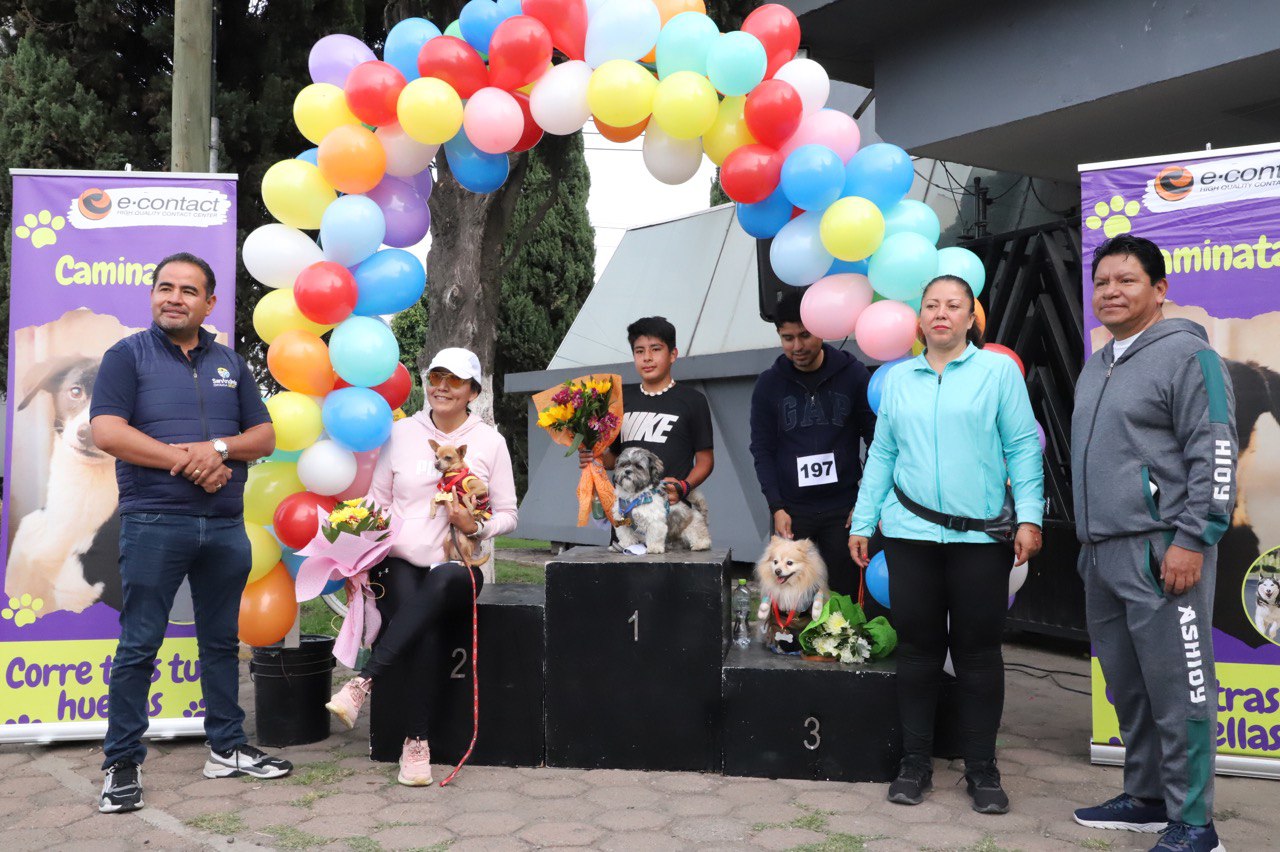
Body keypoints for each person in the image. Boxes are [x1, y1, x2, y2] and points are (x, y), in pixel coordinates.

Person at [90, 252, 290, 814]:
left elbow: (264, 437)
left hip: (225, 526)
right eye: (164, 287)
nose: (173, 298)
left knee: (222, 642)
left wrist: (217, 448)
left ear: (209, 303)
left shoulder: (230, 363)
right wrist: (191, 461)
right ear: (153, 295)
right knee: (139, 644)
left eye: (187, 290)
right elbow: (107, 431)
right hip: (154, 521)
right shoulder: (126, 356)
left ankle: (226, 747)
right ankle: (121, 762)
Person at [848, 274, 1044, 814]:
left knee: (978, 654)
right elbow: (882, 454)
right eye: (931, 305)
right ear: (919, 319)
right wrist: (863, 521)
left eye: (953, 305)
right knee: (918, 652)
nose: (941, 313)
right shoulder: (900, 380)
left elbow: (1023, 447)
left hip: (981, 539)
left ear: (970, 316)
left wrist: (1030, 517)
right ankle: (915, 764)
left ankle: (982, 769)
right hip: (910, 536)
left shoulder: (997, 373)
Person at [1070, 235, 1236, 852]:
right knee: (1130, 687)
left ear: (1159, 289)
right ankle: (1146, 797)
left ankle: (1195, 823)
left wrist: (1193, 538)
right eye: (1102, 282)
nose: (1111, 292)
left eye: (1127, 280)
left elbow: (1215, 451)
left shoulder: (1189, 357)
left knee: (1180, 690)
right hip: (1101, 553)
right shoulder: (1098, 363)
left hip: (1163, 552)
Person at [325, 347, 517, 787]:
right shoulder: (401, 433)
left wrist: (477, 525)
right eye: (435, 377)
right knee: (424, 627)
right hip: (399, 563)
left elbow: (509, 514)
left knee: (443, 580)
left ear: (473, 391)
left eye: (454, 380)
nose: (442, 387)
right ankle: (416, 744)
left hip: (458, 563)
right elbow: (378, 501)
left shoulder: (490, 441)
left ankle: (362, 682)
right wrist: (355, 551)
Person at [749, 289, 877, 596]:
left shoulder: (854, 375)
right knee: (792, 598)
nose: (797, 346)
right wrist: (776, 506)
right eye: (787, 338)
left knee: (844, 596)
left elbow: (877, 441)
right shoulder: (768, 384)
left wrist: (864, 503)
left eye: (805, 335)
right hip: (792, 511)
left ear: (821, 330)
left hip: (843, 509)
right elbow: (762, 449)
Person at [579, 316, 714, 505]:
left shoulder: (693, 401)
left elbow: (705, 461)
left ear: (673, 354)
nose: (647, 357)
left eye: (656, 349)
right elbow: (615, 457)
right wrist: (594, 456)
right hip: (626, 511)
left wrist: (684, 487)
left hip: (671, 511)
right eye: (639, 351)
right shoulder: (620, 400)